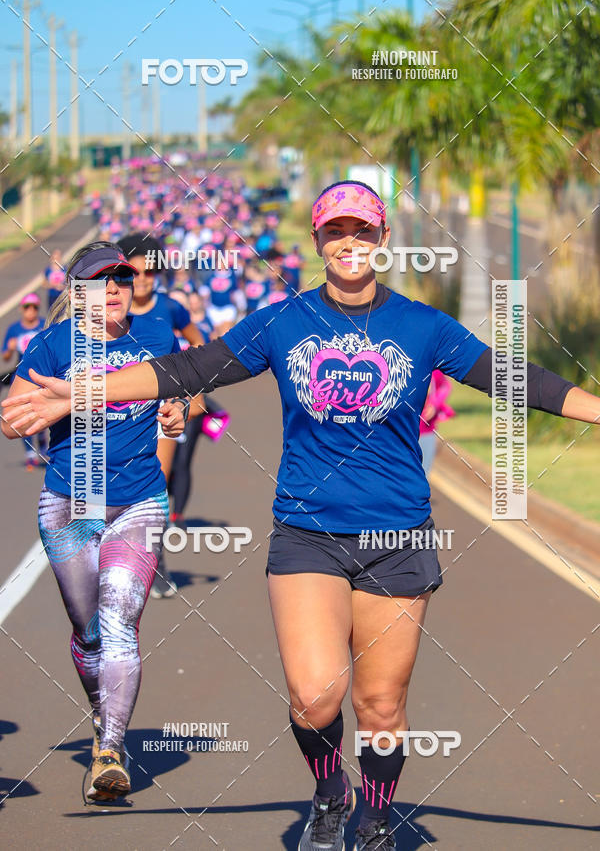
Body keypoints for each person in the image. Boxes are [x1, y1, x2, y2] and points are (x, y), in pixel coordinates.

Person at [5, 182, 600, 848]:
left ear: (382, 240)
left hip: (396, 537)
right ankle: (328, 792)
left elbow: (514, 378)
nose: (351, 243)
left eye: (364, 231)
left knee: (381, 705)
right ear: (317, 241)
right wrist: (78, 390)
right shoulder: (282, 322)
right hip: (306, 535)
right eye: (336, 231)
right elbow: (186, 369)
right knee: (315, 699)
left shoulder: (422, 325)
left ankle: (374, 816)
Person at [1, 242, 186, 803]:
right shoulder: (54, 344)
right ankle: (102, 705)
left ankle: (109, 751)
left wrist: (178, 410)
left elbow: (182, 395)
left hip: (140, 499)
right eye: (98, 283)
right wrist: (49, 404)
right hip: (70, 503)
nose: (113, 290)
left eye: (121, 280)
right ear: (75, 293)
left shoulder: (156, 337)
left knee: (120, 625)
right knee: (89, 635)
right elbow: (11, 423)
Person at [118, 232, 204, 598]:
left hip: (159, 411)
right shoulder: (109, 307)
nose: (142, 280)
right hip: (115, 413)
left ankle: (156, 561)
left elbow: (200, 346)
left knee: (155, 485)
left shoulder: (170, 308)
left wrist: (194, 393)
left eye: (150, 273)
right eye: (134, 273)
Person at [2, 293, 47, 469]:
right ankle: (30, 454)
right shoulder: (14, 329)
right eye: (27, 307)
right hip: (22, 377)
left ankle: (42, 445)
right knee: (23, 416)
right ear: (22, 309)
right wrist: (10, 349)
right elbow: (6, 357)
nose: (31, 311)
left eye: (34, 307)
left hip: (41, 376)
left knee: (40, 414)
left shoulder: (44, 325)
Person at [418, 369, 455, 476]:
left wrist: (434, 405)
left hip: (426, 431)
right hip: (400, 432)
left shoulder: (432, 369)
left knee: (423, 474)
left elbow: (445, 386)